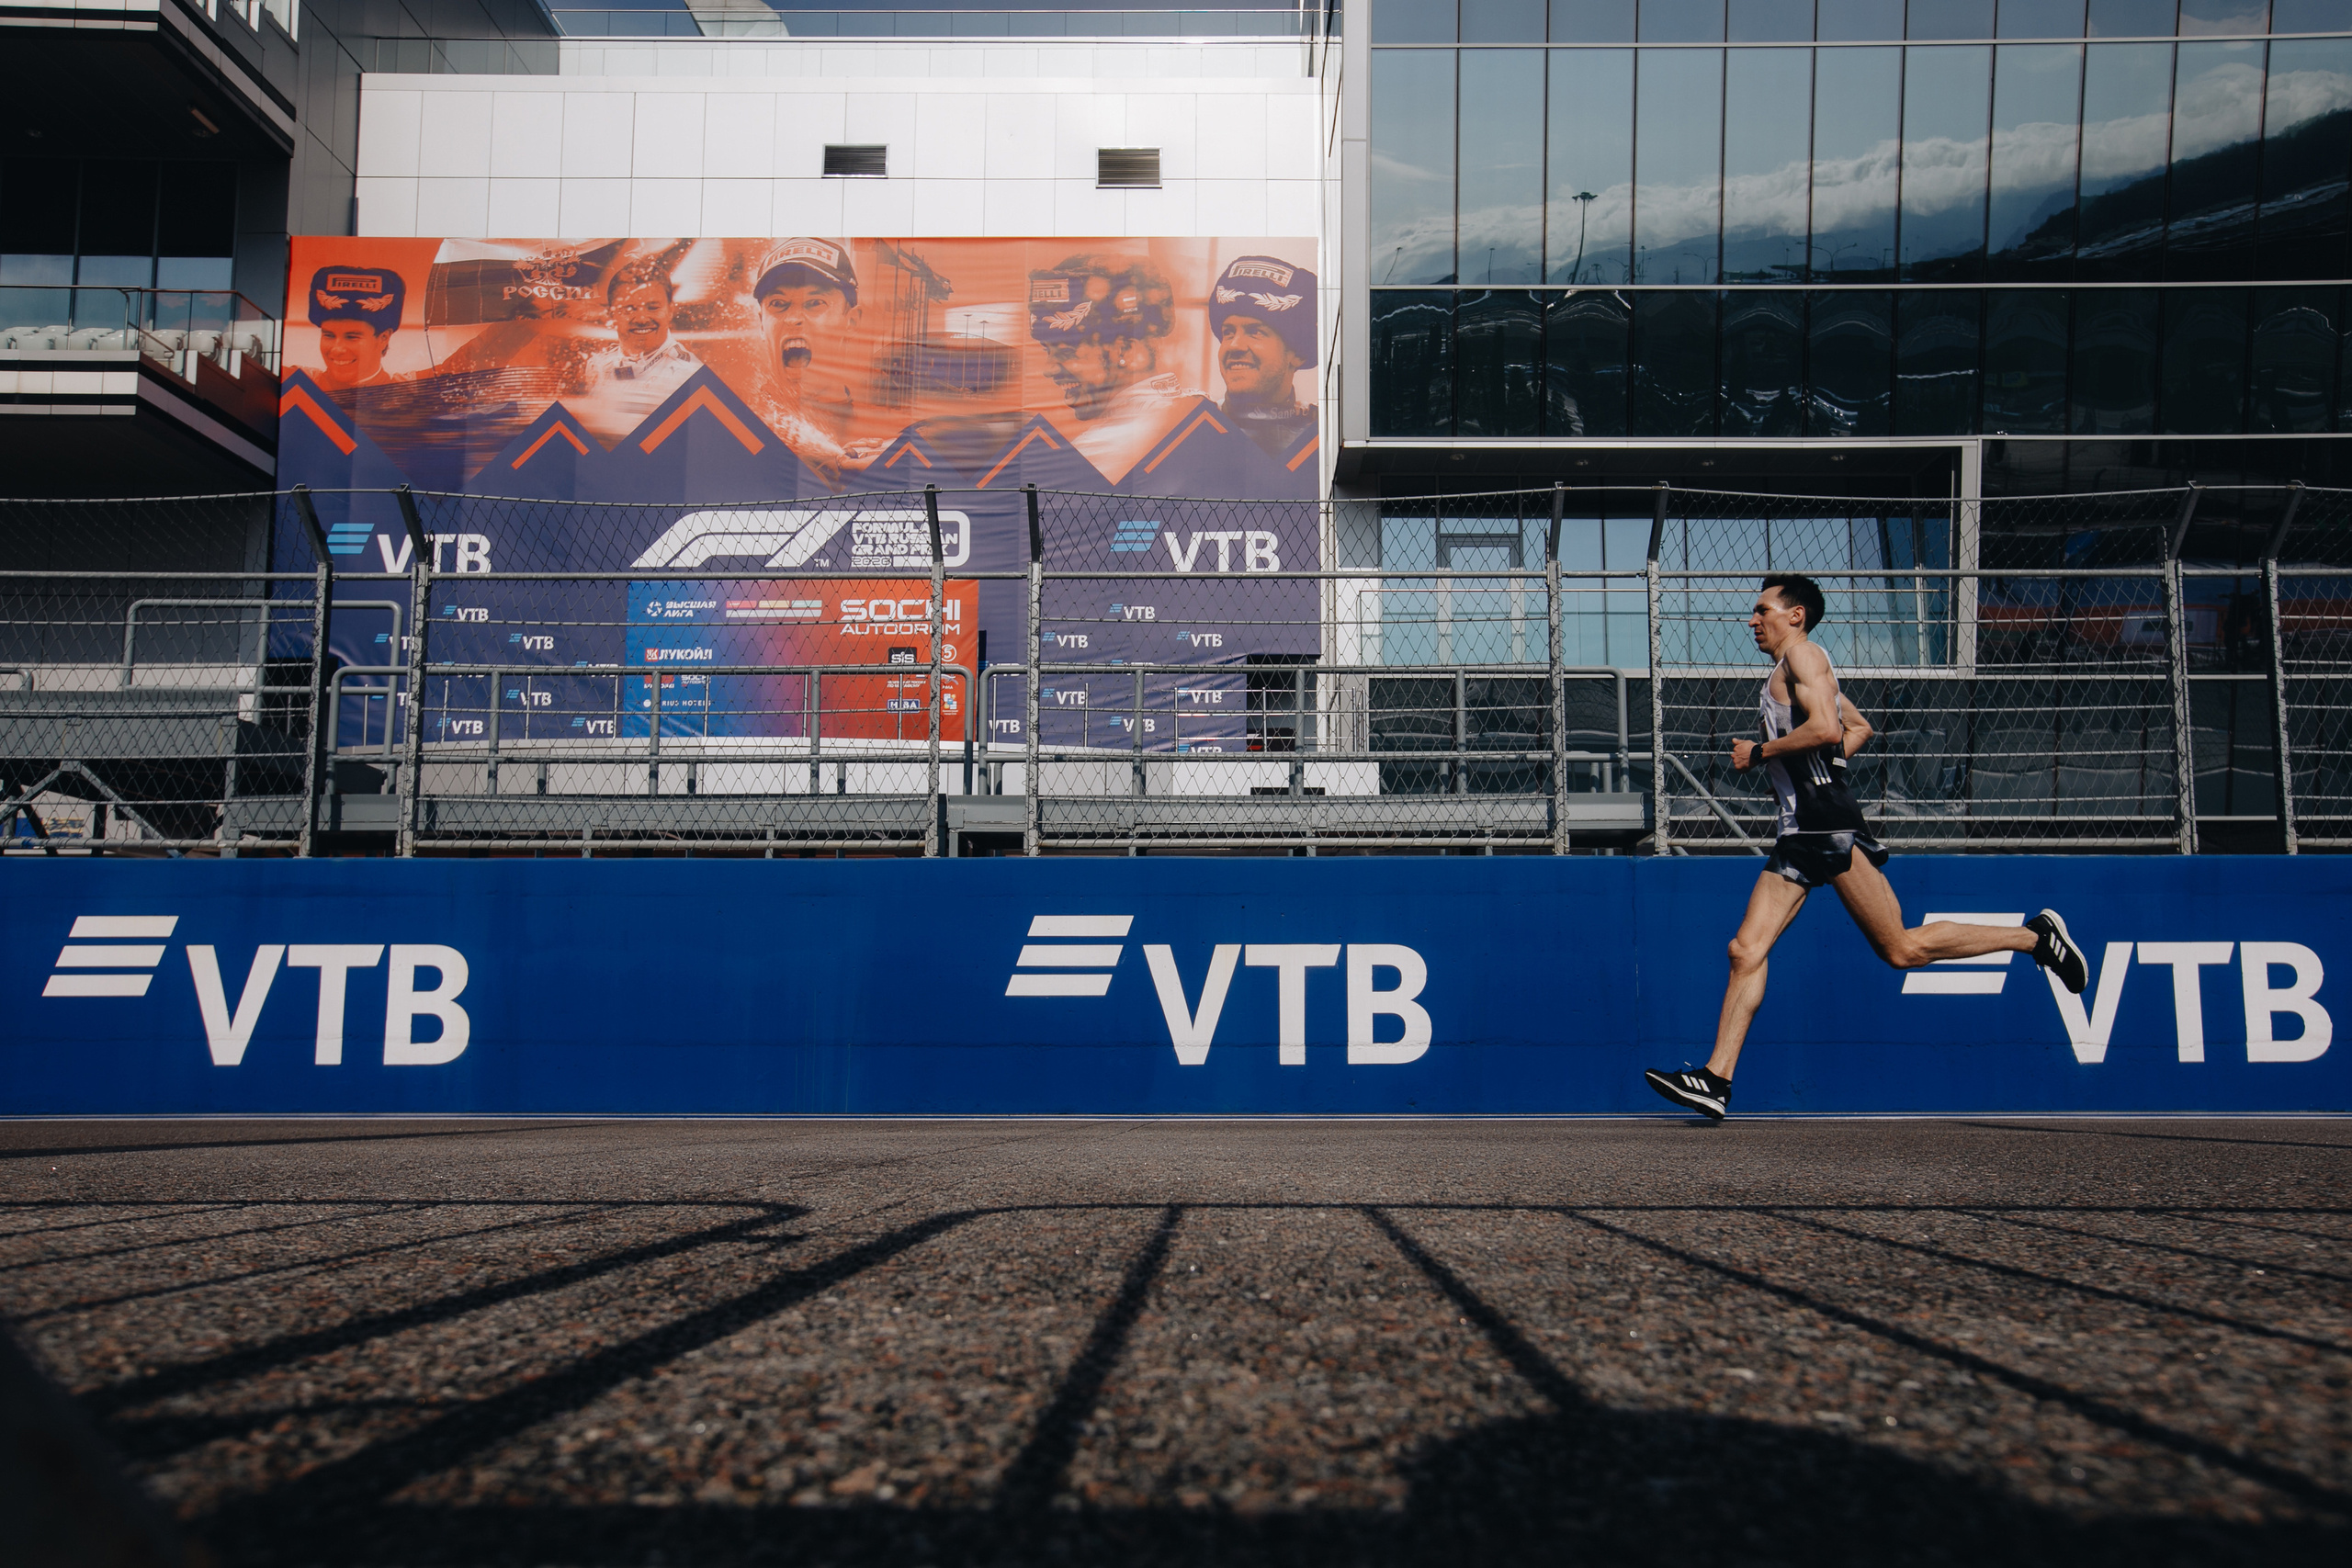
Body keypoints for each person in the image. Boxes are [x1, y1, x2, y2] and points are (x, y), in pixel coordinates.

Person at [1644, 572, 2092, 1122]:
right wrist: (1819, 768)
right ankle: (1716, 1080)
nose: (1752, 620)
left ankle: (2035, 938)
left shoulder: (1804, 657)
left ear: (1795, 615)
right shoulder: (1793, 669)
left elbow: (1830, 728)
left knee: (1902, 949)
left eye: (1763, 610)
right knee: (1745, 950)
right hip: (1799, 831)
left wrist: (1761, 753)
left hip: (1825, 828)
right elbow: (1859, 727)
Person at [1027, 254, 1197, 479]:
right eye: (1047, 351)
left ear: (1125, 350)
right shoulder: (1205, 411)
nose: (1048, 369)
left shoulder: (1093, 455)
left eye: (1067, 352)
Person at [749, 237, 862, 473]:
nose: (793, 319)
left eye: (815, 303)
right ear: (761, 324)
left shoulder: (880, 432)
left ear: (851, 321)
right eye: (779, 303)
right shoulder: (740, 425)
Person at [577, 256, 704, 445]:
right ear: (612, 315)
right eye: (629, 309)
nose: (642, 318)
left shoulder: (690, 375)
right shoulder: (596, 366)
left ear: (670, 311)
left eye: (653, 308)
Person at [1208, 254, 1317, 461]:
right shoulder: (1192, 429)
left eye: (1255, 332)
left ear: (1299, 354)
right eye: (1228, 332)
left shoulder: (1322, 434)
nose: (1234, 345)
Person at [308, 265, 405, 391]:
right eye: (329, 335)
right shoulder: (299, 384)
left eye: (351, 337)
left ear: (384, 338)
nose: (337, 349)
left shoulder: (413, 392)